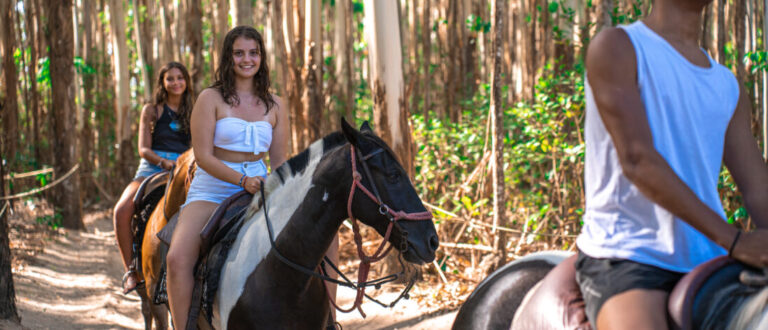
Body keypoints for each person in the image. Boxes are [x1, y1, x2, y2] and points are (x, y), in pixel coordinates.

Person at [576, 0, 768, 329]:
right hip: (628, 254)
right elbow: (638, 160)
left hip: (710, 260)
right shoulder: (618, 47)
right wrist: (734, 240)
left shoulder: (725, 84)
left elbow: (757, 189)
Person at [165, 26, 291, 329]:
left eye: (253, 52)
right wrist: (241, 181)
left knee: (320, 233)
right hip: (213, 188)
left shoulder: (275, 104)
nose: (247, 59)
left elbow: (279, 161)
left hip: (261, 186)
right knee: (177, 258)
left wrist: (287, 188)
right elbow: (204, 156)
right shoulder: (211, 98)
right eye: (239, 53)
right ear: (228, 57)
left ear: (261, 56)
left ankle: (329, 321)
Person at [114, 62, 194, 294]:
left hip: (185, 167)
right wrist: (163, 162)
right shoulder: (152, 110)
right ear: (163, 82)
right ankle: (131, 270)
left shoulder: (195, 110)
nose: (176, 82)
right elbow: (143, 149)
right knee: (121, 210)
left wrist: (183, 163)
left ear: (186, 80)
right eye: (170, 78)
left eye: (180, 77)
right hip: (152, 167)